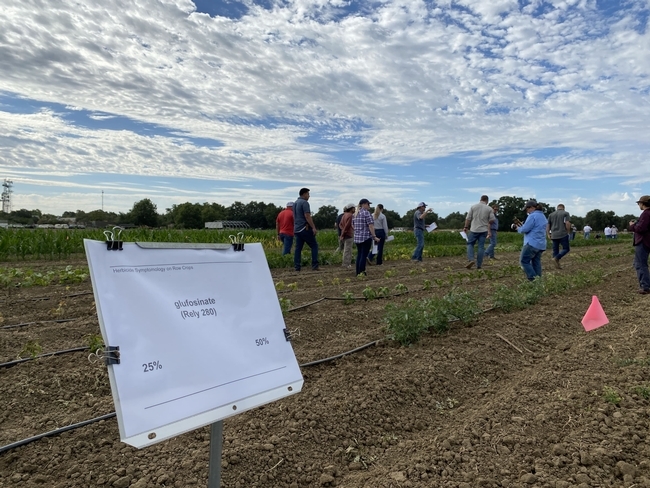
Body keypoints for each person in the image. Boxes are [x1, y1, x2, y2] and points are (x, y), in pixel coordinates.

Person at [515, 200, 548, 281]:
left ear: (532, 208)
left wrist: (518, 228)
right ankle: (538, 280)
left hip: (531, 243)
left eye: (527, 209)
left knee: (524, 261)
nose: (527, 211)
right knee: (536, 263)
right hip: (541, 244)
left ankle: (533, 280)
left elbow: (525, 229)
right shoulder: (543, 216)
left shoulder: (532, 216)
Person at [463, 195, 495, 269]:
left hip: (474, 229)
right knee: (481, 247)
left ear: (480, 199)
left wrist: (465, 227)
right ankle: (479, 265)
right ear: (487, 201)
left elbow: (468, 218)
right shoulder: (489, 208)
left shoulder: (473, 207)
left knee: (470, 244)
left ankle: (471, 259)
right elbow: (492, 219)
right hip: (483, 230)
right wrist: (487, 221)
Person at [293, 188, 319, 272]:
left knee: (298, 248)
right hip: (305, 228)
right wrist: (313, 227)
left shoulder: (295, 203)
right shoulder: (304, 203)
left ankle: (297, 267)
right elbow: (307, 215)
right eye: (308, 194)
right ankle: (315, 265)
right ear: (304, 194)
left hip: (297, 229)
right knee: (314, 246)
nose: (309, 196)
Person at [628, 195, 650, 294]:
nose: (638, 205)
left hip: (643, 241)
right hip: (647, 241)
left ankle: (645, 286)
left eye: (639, 203)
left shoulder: (646, 214)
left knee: (640, 264)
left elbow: (641, 229)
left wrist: (632, 226)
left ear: (643, 203)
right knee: (639, 264)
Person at [353, 199, 380, 276]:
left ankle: (358, 272)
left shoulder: (355, 214)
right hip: (365, 237)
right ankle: (362, 272)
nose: (369, 206)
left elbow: (353, 225)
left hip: (357, 237)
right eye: (368, 204)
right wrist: (374, 236)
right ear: (364, 204)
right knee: (363, 255)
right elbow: (371, 226)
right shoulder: (366, 213)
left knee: (359, 255)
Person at [546, 203, 571, 269]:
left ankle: (556, 265)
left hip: (554, 234)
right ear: (563, 208)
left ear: (557, 208)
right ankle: (556, 258)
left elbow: (548, 225)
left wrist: (548, 233)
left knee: (555, 250)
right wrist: (568, 231)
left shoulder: (551, 215)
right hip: (563, 233)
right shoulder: (565, 213)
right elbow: (567, 223)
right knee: (566, 248)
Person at [338, 203, 355, 268]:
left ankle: (346, 263)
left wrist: (342, 231)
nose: (355, 209)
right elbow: (347, 226)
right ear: (351, 209)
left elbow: (340, 225)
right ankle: (346, 264)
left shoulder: (344, 215)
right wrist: (344, 233)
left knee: (346, 249)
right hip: (348, 234)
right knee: (348, 250)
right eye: (354, 208)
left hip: (345, 234)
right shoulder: (350, 215)